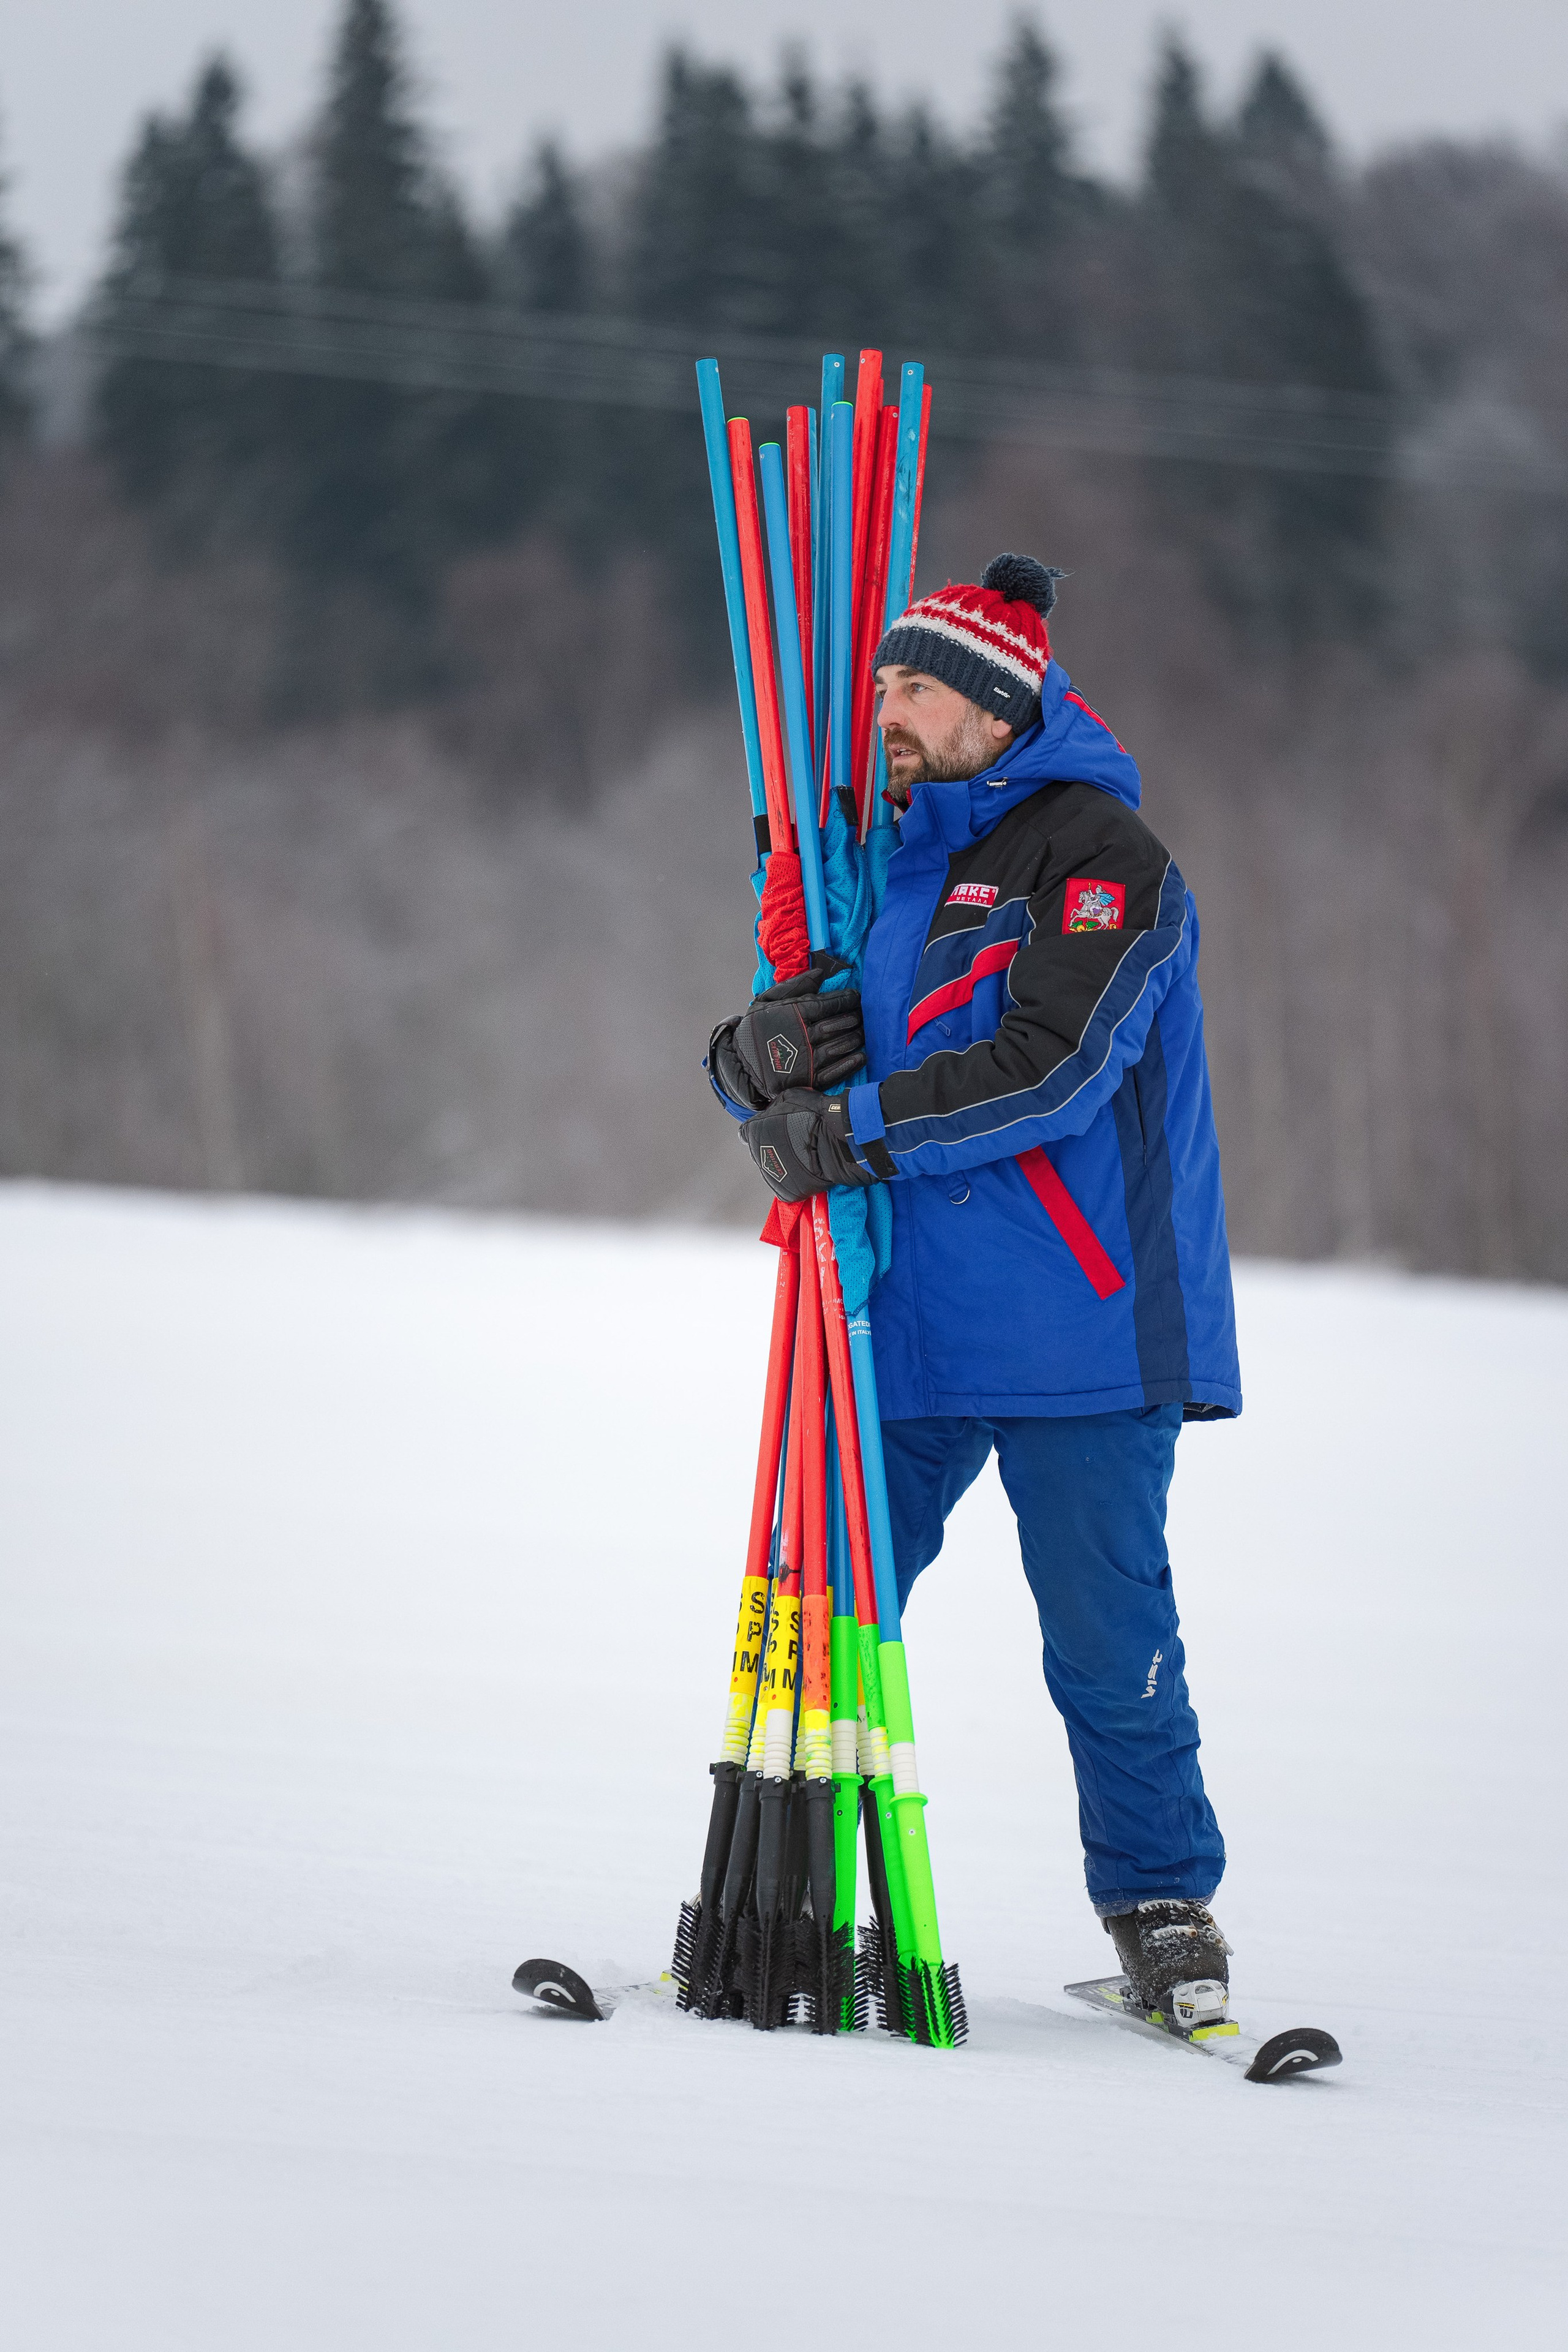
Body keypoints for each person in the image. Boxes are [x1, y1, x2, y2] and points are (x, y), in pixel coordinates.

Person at [706, 553, 1242, 2024]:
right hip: (902, 1325)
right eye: (877, 681)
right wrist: (756, 1059)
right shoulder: (870, 863)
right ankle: (783, 1897)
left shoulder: (1101, 855)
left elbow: (1052, 1071)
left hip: (1080, 1325)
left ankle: (1158, 1911)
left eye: (917, 686)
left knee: (1105, 1641)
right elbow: (800, 1055)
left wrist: (851, 1125)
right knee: (813, 1603)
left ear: (997, 709)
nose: (885, 706)